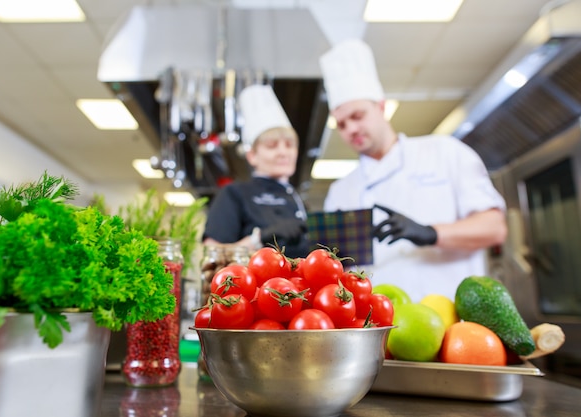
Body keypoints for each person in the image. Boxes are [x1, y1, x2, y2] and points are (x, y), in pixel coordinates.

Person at [318, 39, 508, 302]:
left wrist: (431, 233)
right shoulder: (340, 190)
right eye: (341, 124)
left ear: (381, 106)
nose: (350, 129)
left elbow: (494, 227)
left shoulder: (444, 152)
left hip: (452, 319)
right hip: (375, 327)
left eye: (357, 116)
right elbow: (336, 266)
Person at [202, 84, 309, 258]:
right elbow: (210, 254)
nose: (283, 152)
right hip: (257, 285)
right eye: (271, 146)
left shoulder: (298, 200)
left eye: (289, 145)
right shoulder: (234, 194)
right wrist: (260, 239)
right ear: (252, 155)